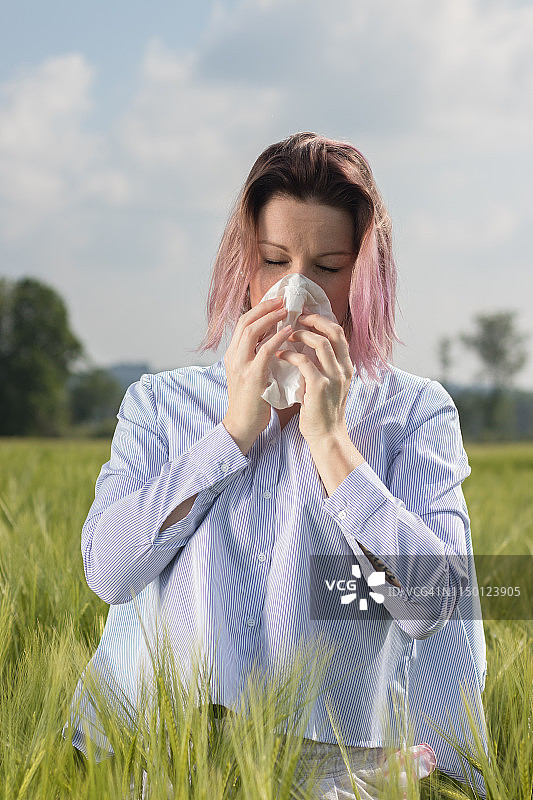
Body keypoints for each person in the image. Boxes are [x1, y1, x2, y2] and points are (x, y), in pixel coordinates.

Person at [64, 132, 488, 797]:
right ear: (244, 263)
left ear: (364, 277)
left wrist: (329, 440)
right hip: (180, 765)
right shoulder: (160, 405)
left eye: (327, 266)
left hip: (344, 774)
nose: (295, 293)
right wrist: (231, 435)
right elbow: (110, 573)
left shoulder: (412, 413)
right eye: (273, 260)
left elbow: (430, 605)